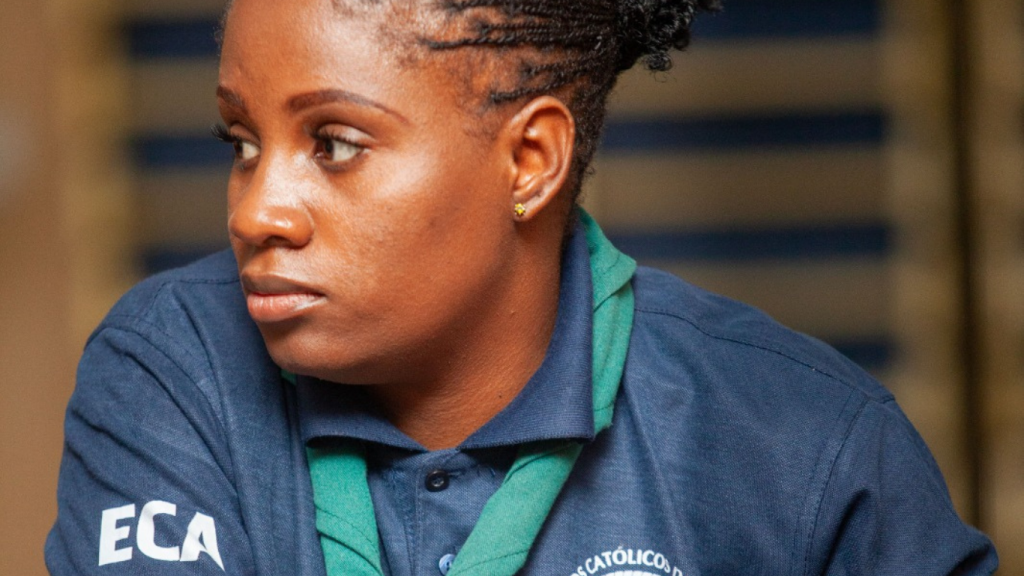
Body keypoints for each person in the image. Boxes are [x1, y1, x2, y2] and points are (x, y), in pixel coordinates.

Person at [46, 0, 998, 574]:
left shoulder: (806, 446)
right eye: (242, 143)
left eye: (333, 144)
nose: (257, 211)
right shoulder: (174, 368)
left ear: (531, 160)